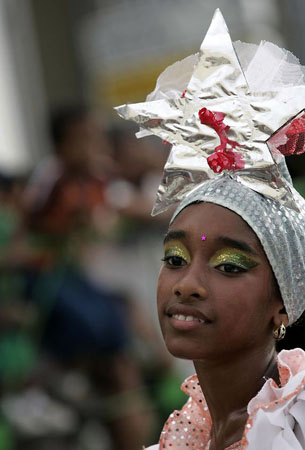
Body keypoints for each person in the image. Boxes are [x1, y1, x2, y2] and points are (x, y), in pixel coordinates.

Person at [115, 9, 305, 450]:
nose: (188, 285)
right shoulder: (189, 434)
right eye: (175, 260)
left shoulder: (292, 427)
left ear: (283, 305)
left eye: (230, 265)